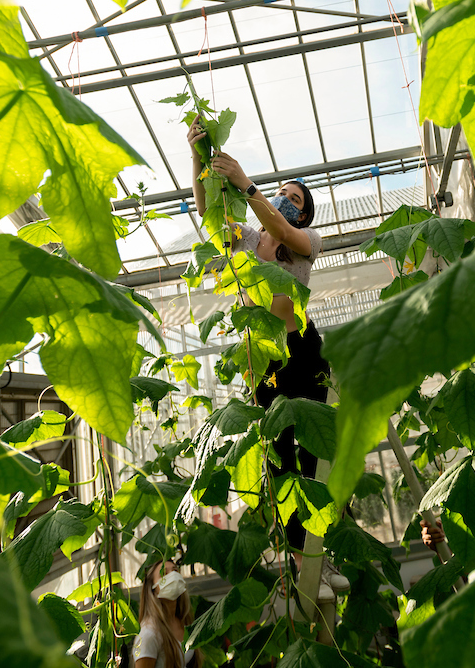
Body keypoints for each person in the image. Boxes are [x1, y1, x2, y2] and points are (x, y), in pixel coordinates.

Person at [187, 120, 343, 594]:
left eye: (294, 199)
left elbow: (278, 226)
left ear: (304, 216)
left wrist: (247, 184)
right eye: (283, 193)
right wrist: (197, 154)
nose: (284, 201)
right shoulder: (249, 240)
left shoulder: (306, 242)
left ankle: (325, 549)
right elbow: (209, 214)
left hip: (303, 350)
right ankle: (301, 558)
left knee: (317, 454)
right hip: (265, 358)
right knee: (280, 457)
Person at [135, 560, 198, 668]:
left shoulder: (184, 621)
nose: (173, 575)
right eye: (164, 573)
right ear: (153, 588)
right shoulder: (149, 634)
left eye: (175, 570)